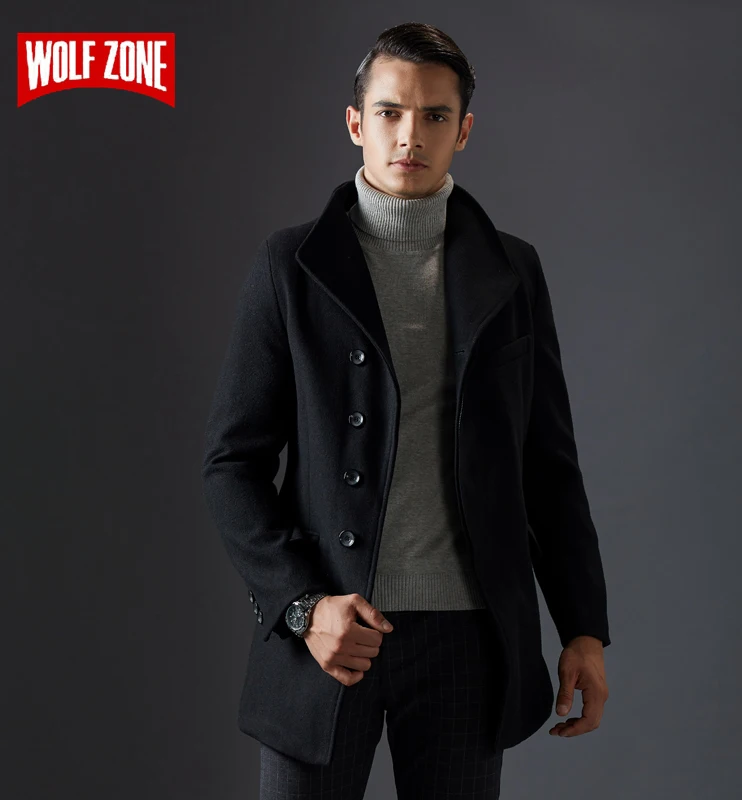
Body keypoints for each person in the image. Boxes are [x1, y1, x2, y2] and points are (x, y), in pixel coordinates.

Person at [201, 21, 611, 800]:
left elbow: (548, 467)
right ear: (356, 123)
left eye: (434, 115)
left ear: (464, 130)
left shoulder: (512, 270)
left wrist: (583, 629)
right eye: (389, 112)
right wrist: (303, 608)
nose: (409, 135)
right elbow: (231, 465)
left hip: (468, 640)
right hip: (331, 634)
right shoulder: (289, 266)